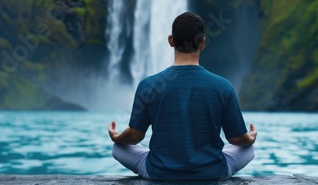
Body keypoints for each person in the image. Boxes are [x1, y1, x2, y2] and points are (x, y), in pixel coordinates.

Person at [107, 11, 257, 180]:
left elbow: (135, 136)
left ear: (170, 41)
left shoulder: (148, 85)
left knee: (118, 147)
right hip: (212, 172)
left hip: (159, 171)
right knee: (248, 148)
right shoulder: (223, 86)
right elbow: (236, 138)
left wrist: (118, 137)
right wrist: (250, 138)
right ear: (202, 43)